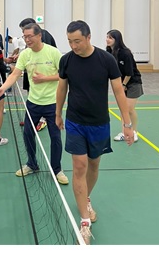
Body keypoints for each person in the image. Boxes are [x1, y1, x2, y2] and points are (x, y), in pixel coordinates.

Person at [55, 20, 134, 244]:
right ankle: (84, 223)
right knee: (79, 166)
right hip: (75, 122)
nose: (73, 46)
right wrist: (58, 113)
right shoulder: (66, 60)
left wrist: (127, 124)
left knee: (94, 164)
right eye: (70, 41)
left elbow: (118, 91)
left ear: (89, 37)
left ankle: (86, 198)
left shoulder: (106, 60)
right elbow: (62, 88)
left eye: (77, 41)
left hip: (99, 123)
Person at [0, 22, 69, 185]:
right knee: (27, 134)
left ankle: (57, 169)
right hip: (33, 103)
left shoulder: (53, 53)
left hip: (52, 103)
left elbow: (64, 75)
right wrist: (2, 88)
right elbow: (15, 75)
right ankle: (32, 164)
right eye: (24, 37)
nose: (27, 40)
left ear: (39, 35)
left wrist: (44, 78)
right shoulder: (25, 54)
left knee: (55, 137)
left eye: (30, 36)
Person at [105, 29, 143, 141]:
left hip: (133, 83)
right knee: (123, 109)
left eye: (110, 38)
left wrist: (123, 85)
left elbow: (129, 72)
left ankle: (134, 132)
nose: (107, 40)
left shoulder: (126, 53)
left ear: (117, 40)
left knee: (129, 109)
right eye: (107, 37)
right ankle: (124, 132)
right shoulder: (108, 52)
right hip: (121, 83)